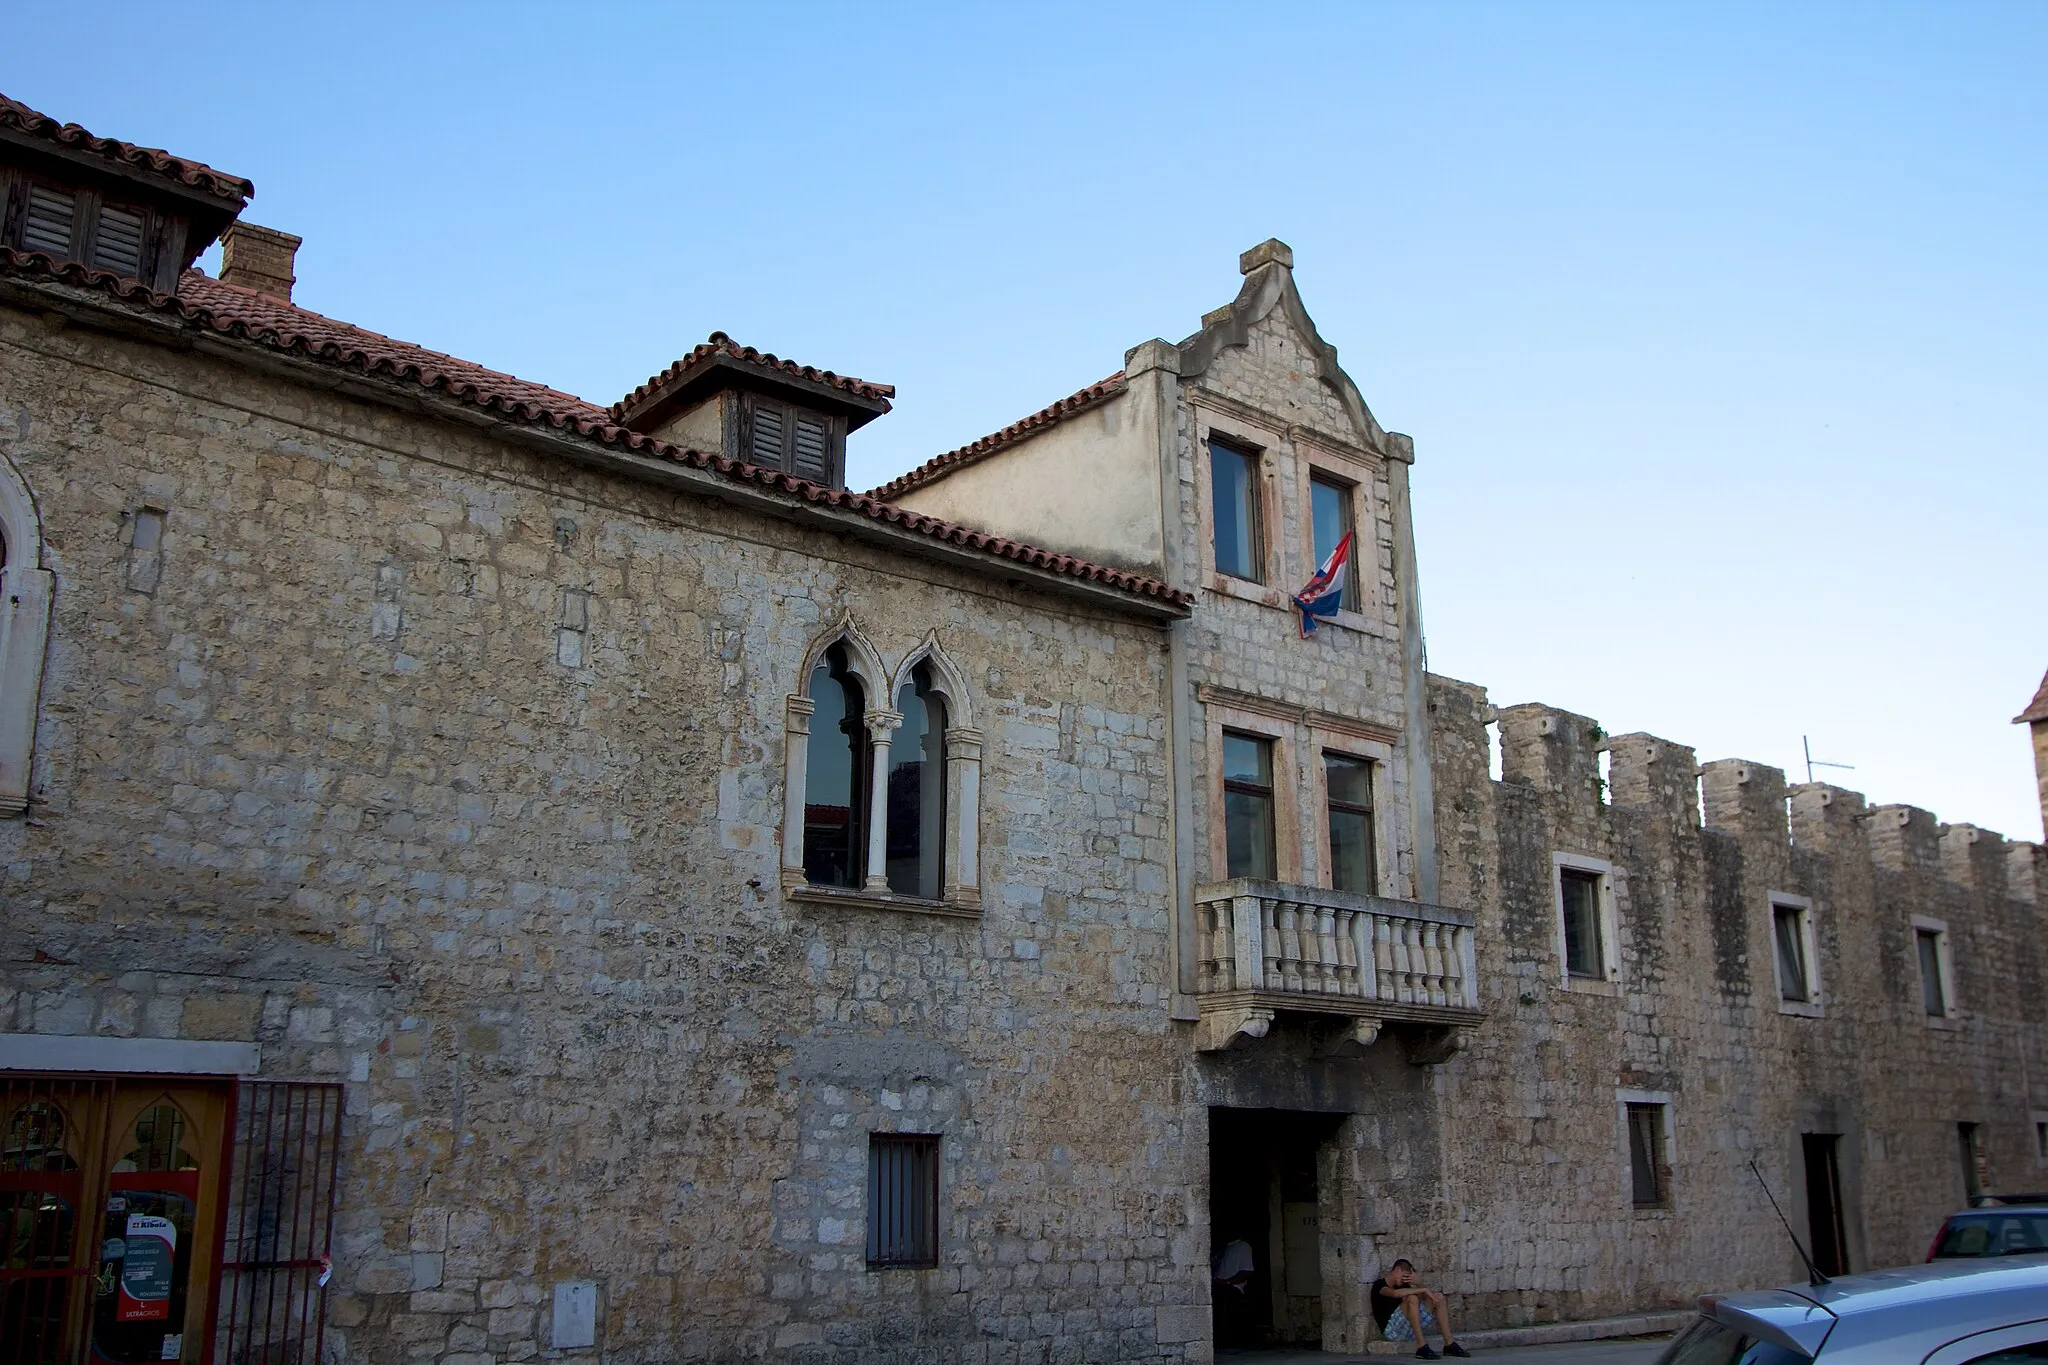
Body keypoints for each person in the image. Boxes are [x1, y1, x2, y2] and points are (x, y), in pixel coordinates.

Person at [1370, 1257, 1469, 1358]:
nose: (1405, 1280)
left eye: (1408, 1277)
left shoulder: (1405, 1286)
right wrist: (1423, 1289)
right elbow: (1394, 1293)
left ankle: (1449, 1344)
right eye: (1404, 1276)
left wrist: (1418, 1283)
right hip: (1392, 1332)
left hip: (1409, 1330)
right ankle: (1421, 1346)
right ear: (1397, 1270)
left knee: (1438, 1298)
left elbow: (1426, 1297)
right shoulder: (1380, 1285)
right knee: (1412, 1298)